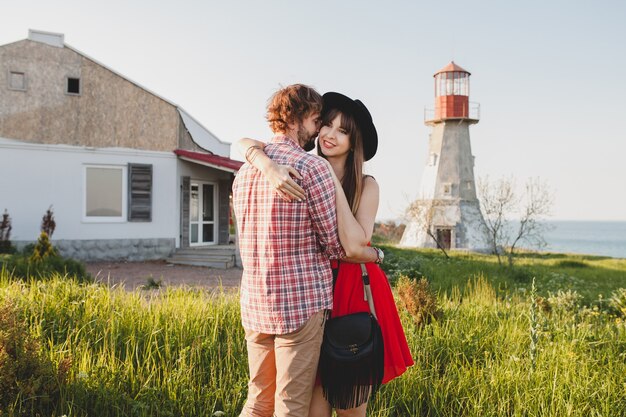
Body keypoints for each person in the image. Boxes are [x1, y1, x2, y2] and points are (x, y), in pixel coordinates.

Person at [238, 92, 414, 417]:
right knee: (309, 406)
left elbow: (354, 246)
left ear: (354, 141)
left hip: (349, 291)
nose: (330, 135)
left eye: (342, 130)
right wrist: (264, 162)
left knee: (348, 402)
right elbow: (245, 142)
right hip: (310, 292)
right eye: (326, 125)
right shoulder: (301, 167)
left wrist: (329, 177)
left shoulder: (365, 184)